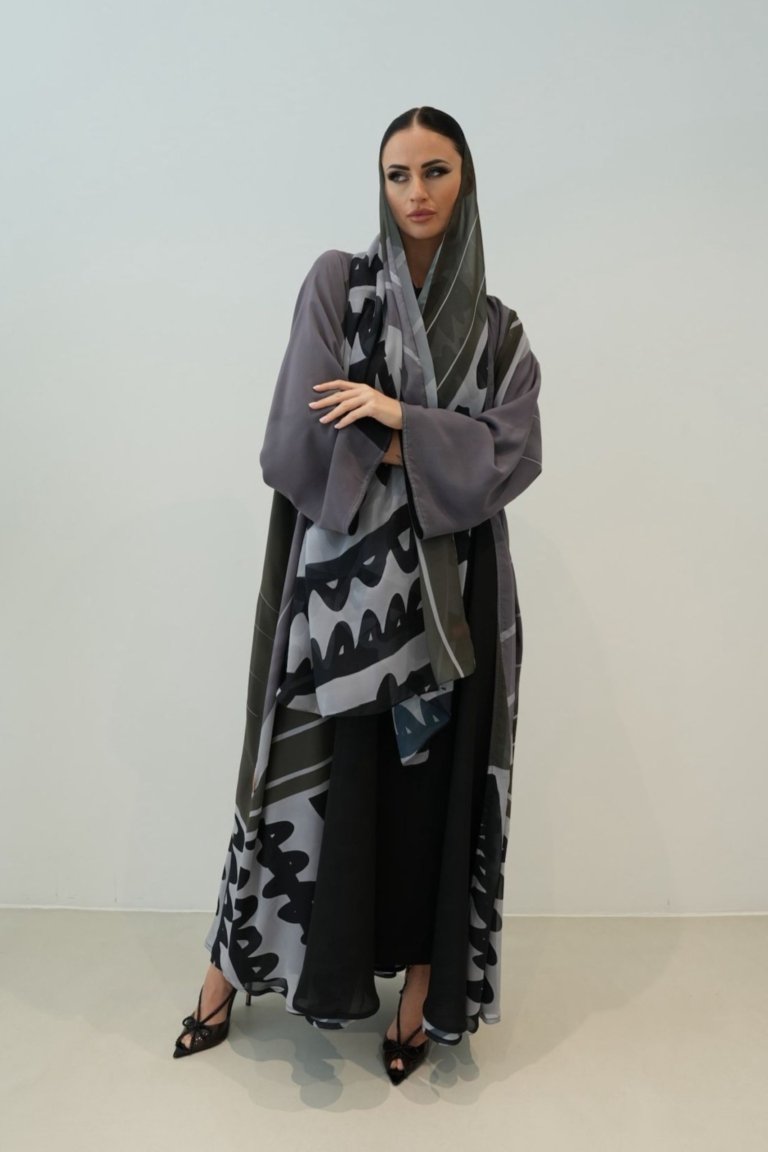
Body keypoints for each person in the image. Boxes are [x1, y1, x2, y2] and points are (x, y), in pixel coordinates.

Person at [173, 105, 543, 1084]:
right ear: (379, 185)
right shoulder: (338, 284)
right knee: (294, 776)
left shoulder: (499, 331)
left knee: (432, 802)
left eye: (436, 171)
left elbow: (512, 456)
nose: (416, 192)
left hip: (456, 605)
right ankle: (228, 972)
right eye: (397, 174)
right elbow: (297, 439)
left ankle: (421, 989)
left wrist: (390, 419)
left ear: (465, 181)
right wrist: (430, 439)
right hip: (342, 599)